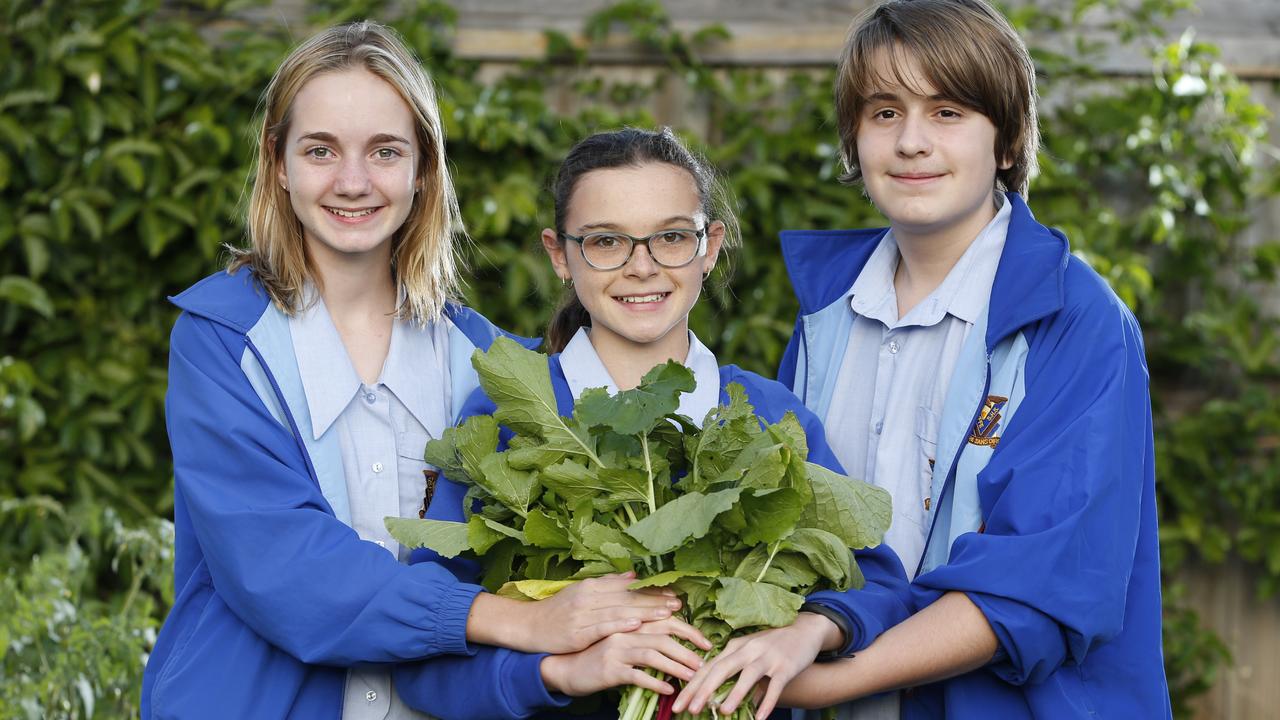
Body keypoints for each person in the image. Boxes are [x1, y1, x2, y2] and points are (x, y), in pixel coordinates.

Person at [142, 23, 684, 720]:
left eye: (385, 151)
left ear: (423, 166)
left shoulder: (493, 365)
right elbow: (283, 566)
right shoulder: (222, 343)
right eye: (320, 151)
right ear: (277, 162)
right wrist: (521, 621)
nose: (353, 182)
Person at [676, 0, 1171, 718]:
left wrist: (830, 677)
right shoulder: (826, 316)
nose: (911, 142)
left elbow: (1040, 580)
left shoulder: (1078, 322)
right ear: (854, 138)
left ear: (1007, 142)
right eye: (884, 112)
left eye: (948, 113)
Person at [392, 127, 912, 719]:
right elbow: (425, 659)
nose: (642, 267)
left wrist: (809, 632)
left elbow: (880, 585)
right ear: (559, 255)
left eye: (670, 237)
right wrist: (558, 670)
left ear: (710, 246)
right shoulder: (507, 419)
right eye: (607, 241)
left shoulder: (770, 413)